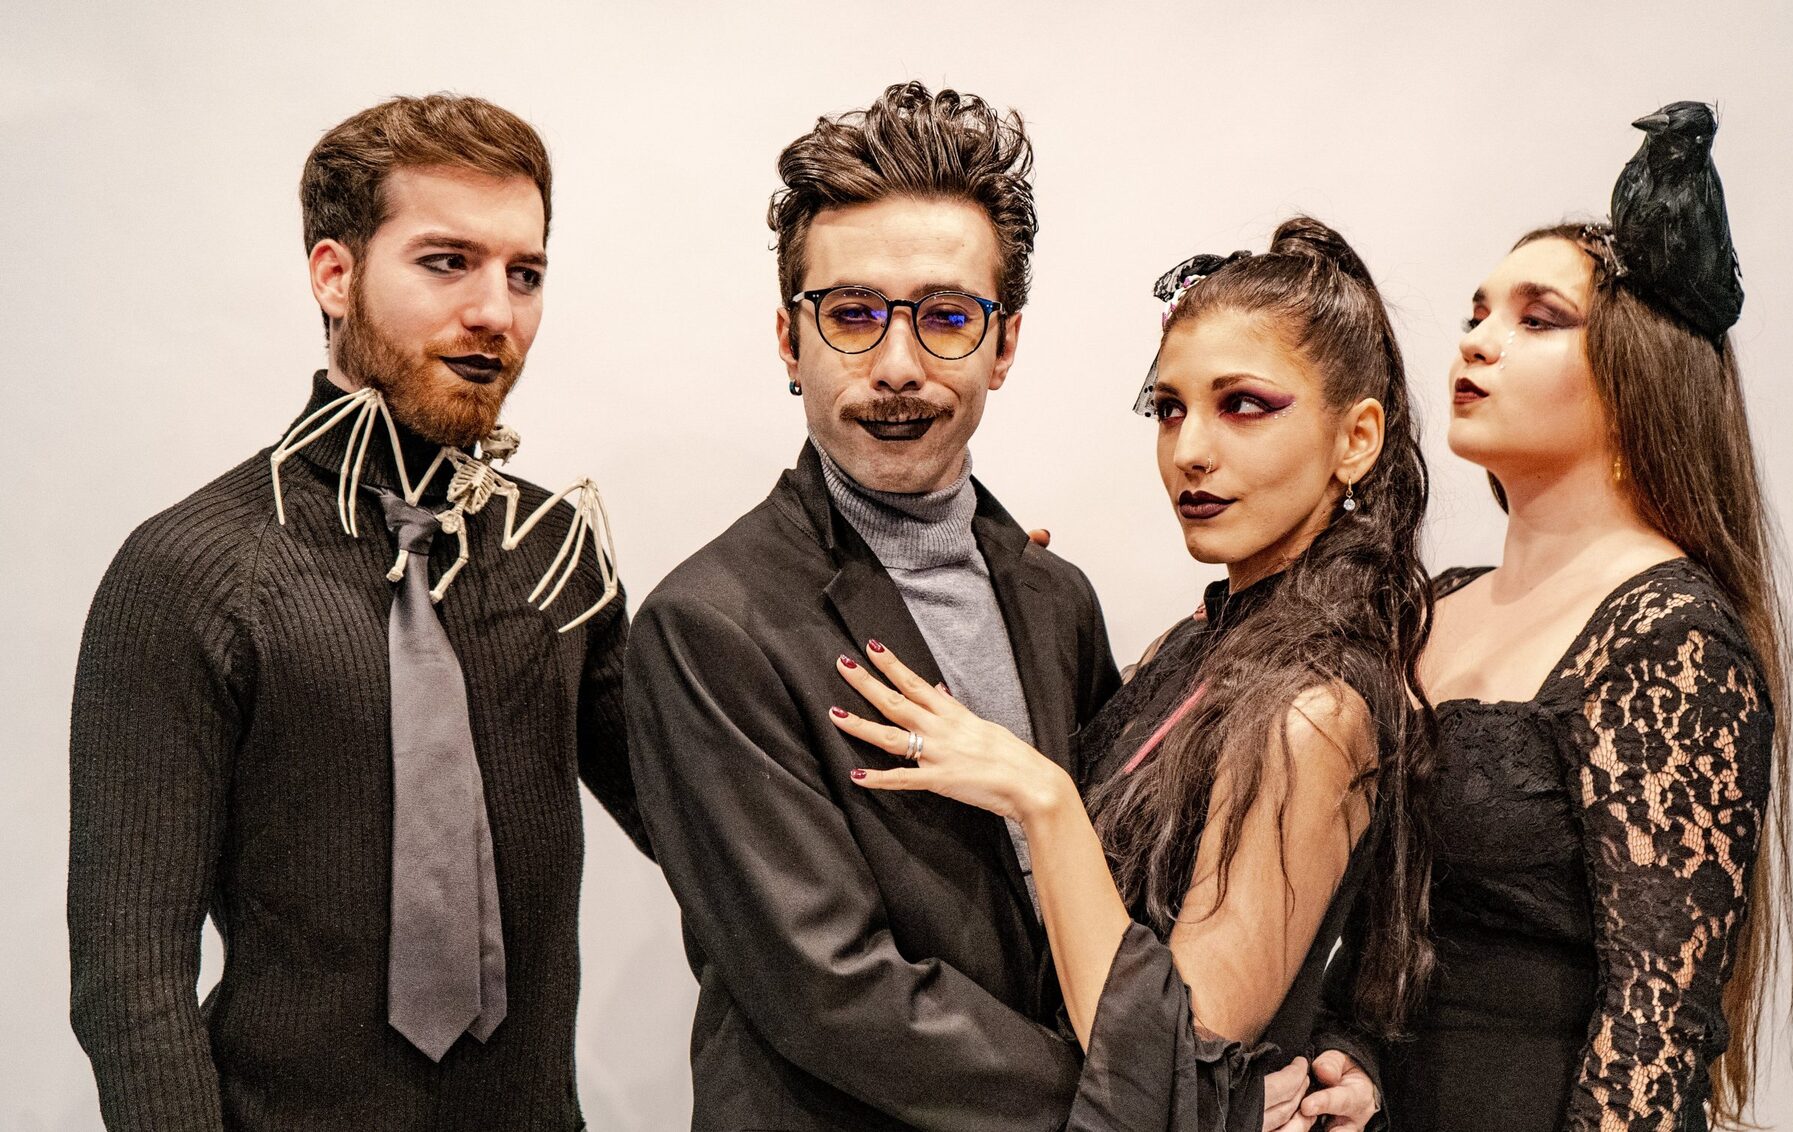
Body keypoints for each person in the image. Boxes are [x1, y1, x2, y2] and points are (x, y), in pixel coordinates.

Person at [68, 94, 647, 1130]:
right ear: (334, 275)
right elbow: (130, 980)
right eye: (447, 262)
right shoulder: (191, 572)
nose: (496, 312)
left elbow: (717, 835)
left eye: (525, 273)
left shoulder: (557, 557)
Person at [832, 217, 1434, 1131]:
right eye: (1169, 409)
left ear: (1357, 439)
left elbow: (1179, 1062)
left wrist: (1044, 799)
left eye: (1244, 406)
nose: (1190, 450)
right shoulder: (1196, 642)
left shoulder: (1313, 709)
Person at [625, 83, 1121, 1131]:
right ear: (788, 338)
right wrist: (1134, 1100)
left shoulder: (1058, 599)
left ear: (1004, 345)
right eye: (853, 315)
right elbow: (832, 990)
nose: (898, 367)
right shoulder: (705, 627)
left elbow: (1111, 889)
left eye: (947, 318)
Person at [1323, 103, 1793, 1131]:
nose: (1477, 341)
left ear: (1637, 375)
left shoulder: (1670, 637)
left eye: (1536, 320)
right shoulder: (1432, 605)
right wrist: (1350, 1059)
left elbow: (1656, 1025)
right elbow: (1365, 938)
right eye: (1477, 313)